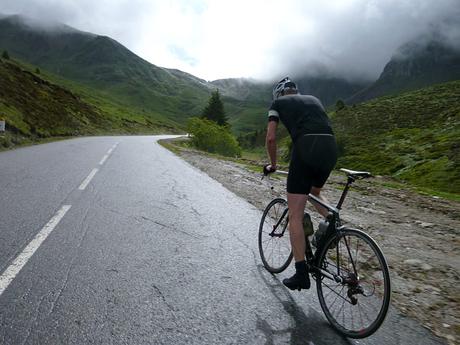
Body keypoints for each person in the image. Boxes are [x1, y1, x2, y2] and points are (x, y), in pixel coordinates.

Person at [264, 77, 338, 291]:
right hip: (330, 148)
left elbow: (270, 138)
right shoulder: (314, 99)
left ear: (279, 94)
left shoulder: (277, 104)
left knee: (295, 215)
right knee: (315, 190)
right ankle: (333, 224)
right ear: (296, 91)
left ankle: (301, 274)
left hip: (306, 147)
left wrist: (273, 165)